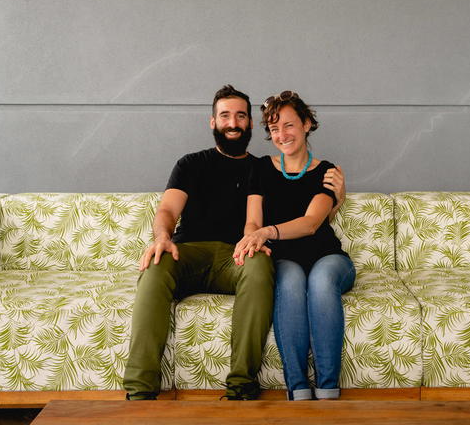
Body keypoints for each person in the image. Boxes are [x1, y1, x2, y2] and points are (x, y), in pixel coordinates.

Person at [124, 85, 345, 401]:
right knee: (156, 265)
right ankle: (140, 391)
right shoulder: (190, 164)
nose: (233, 122)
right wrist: (161, 237)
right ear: (212, 122)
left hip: (237, 256)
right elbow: (168, 210)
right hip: (190, 252)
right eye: (225, 115)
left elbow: (306, 210)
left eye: (241, 116)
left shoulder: (262, 169)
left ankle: (242, 385)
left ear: (251, 125)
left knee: (259, 266)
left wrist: (338, 199)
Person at [232, 90, 356, 401]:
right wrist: (251, 236)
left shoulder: (326, 171)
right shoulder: (259, 168)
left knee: (321, 280)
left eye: (289, 125)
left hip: (327, 256)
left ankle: (328, 386)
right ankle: (298, 386)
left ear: (307, 124)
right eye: (274, 129)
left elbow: (311, 222)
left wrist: (266, 232)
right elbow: (252, 220)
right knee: (289, 283)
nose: (282, 135)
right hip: (283, 258)